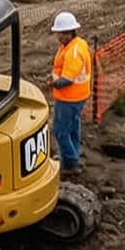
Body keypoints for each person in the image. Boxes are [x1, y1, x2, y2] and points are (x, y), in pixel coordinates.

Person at [46, 11, 93, 172]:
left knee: (60, 131)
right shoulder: (76, 44)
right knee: (73, 127)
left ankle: (71, 163)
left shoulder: (73, 52)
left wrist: (53, 83)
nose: (58, 36)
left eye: (61, 33)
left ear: (69, 33)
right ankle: (71, 155)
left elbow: (67, 80)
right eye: (58, 33)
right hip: (77, 96)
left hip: (70, 97)